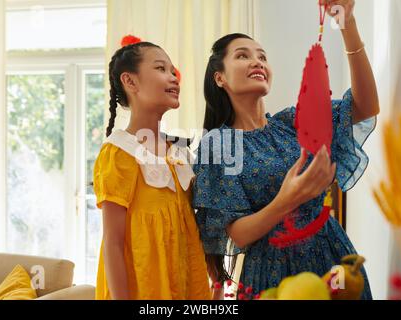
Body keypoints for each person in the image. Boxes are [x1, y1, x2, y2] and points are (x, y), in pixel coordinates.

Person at [193, 0, 379, 300]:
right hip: (272, 272)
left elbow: (365, 106)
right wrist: (287, 199)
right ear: (220, 78)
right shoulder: (218, 144)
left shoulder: (293, 121)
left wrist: (348, 24)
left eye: (262, 57)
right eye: (243, 56)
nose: (258, 62)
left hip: (332, 257)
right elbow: (237, 233)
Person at [93, 41, 211, 299]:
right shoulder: (119, 151)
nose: (174, 78)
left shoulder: (179, 151)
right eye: (161, 68)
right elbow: (112, 243)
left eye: (173, 71)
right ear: (130, 82)